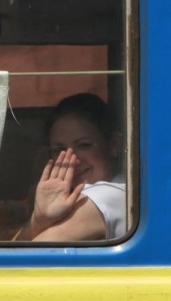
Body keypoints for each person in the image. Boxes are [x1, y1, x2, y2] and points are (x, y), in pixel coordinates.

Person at [20, 93, 126, 241]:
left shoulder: (109, 195)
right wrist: (39, 220)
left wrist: (36, 224)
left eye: (84, 145)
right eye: (59, 150)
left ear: (113, 144)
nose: (73, 160)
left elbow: (18, 260)